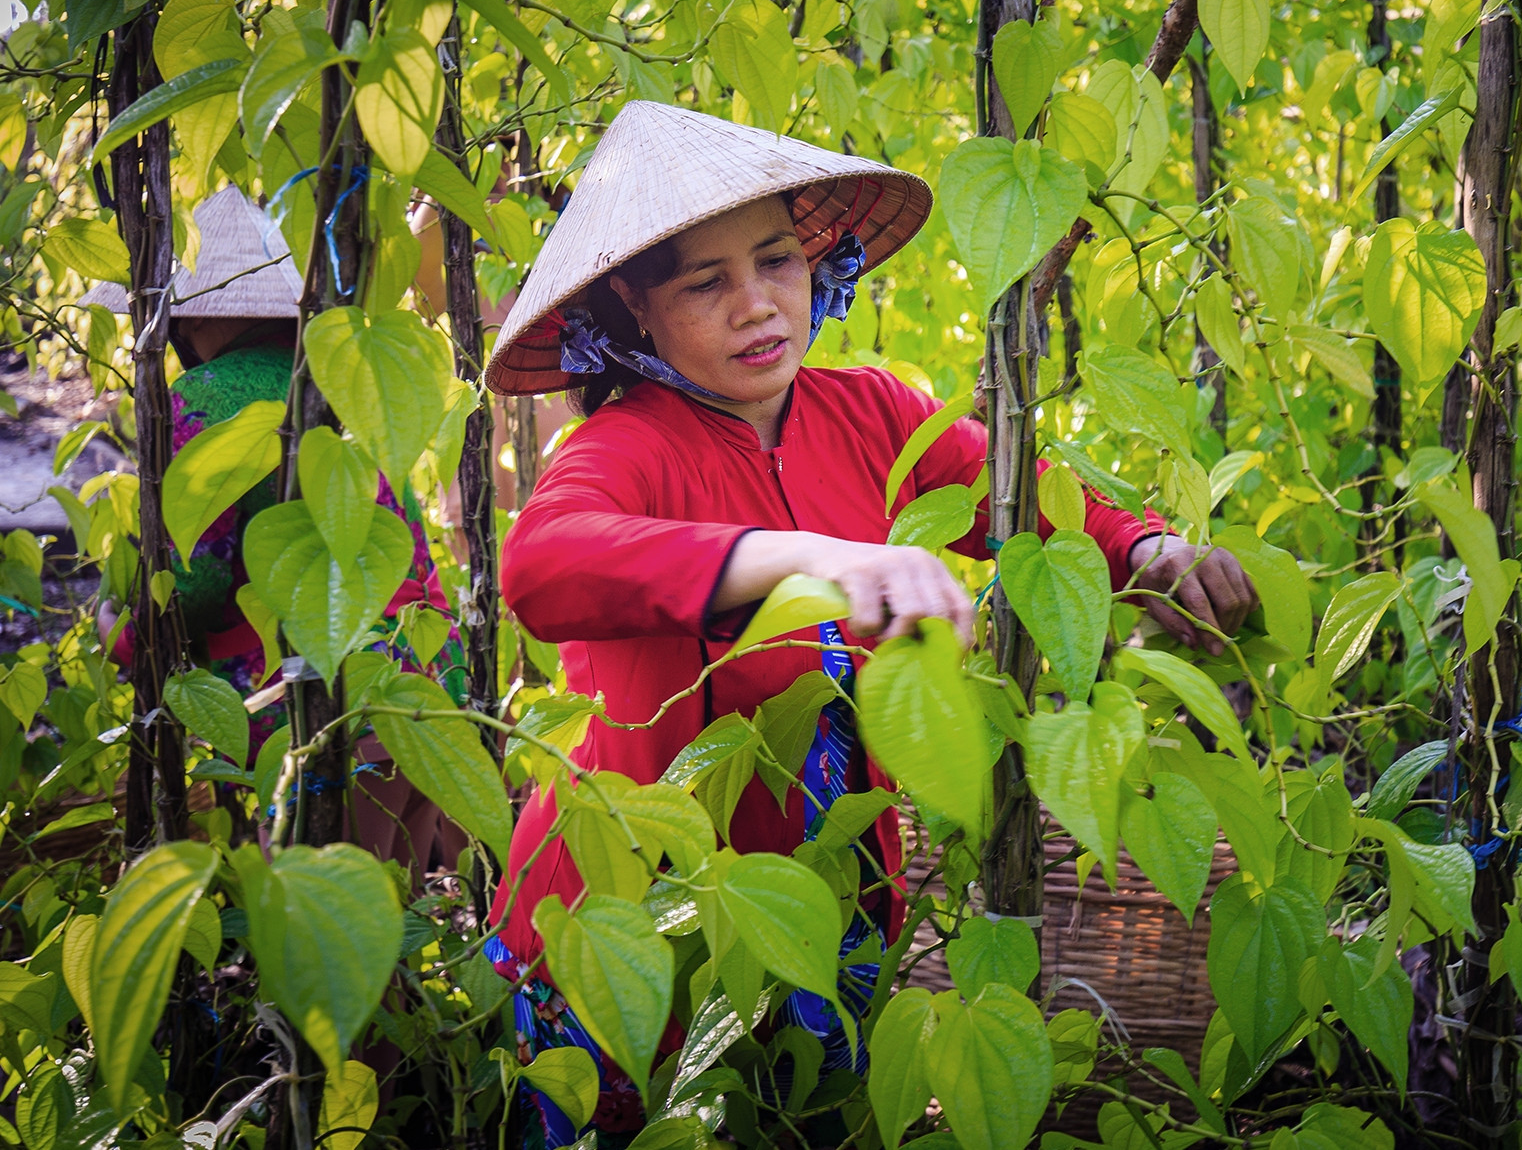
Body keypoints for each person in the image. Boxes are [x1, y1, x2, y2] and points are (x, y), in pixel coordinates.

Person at [482, 102, 1257, 1147]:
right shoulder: (628, 450)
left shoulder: (868, 412)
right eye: (704, 283)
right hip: (634, 914)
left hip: (838, 893)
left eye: (775, 262)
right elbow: (540, 564)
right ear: (634, 309)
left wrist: (1148, 550)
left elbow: (1022, 497)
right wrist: (808, 558)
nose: (756, 307)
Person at [86, 185, 463, 877]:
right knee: (390, 927)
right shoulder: (343, 384)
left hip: (316, 708)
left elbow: (191, 588)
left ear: (188, 318)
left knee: (319, 933)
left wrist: (119, 629)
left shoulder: (205, 398)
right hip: (418, 688)